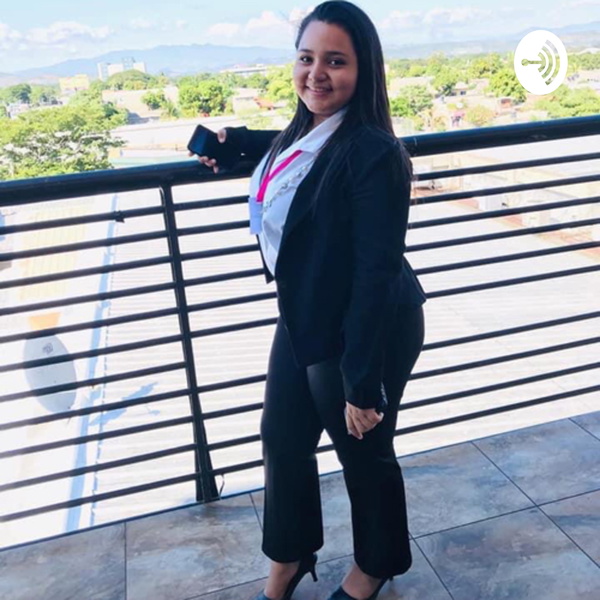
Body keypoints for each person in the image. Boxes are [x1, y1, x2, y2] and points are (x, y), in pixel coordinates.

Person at [190, 2, 427, 599]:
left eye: (336, 61)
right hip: (305, 313)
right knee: (282, 438)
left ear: (364, 70)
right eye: (306, 57)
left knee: (363, 451)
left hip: (362, 325)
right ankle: (290, 556)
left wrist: (361, 383)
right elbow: (296, 163)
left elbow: (375, 273)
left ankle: (375, 566)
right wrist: (234, 146)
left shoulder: (374, 152)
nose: (316, 73)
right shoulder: (301, 135)